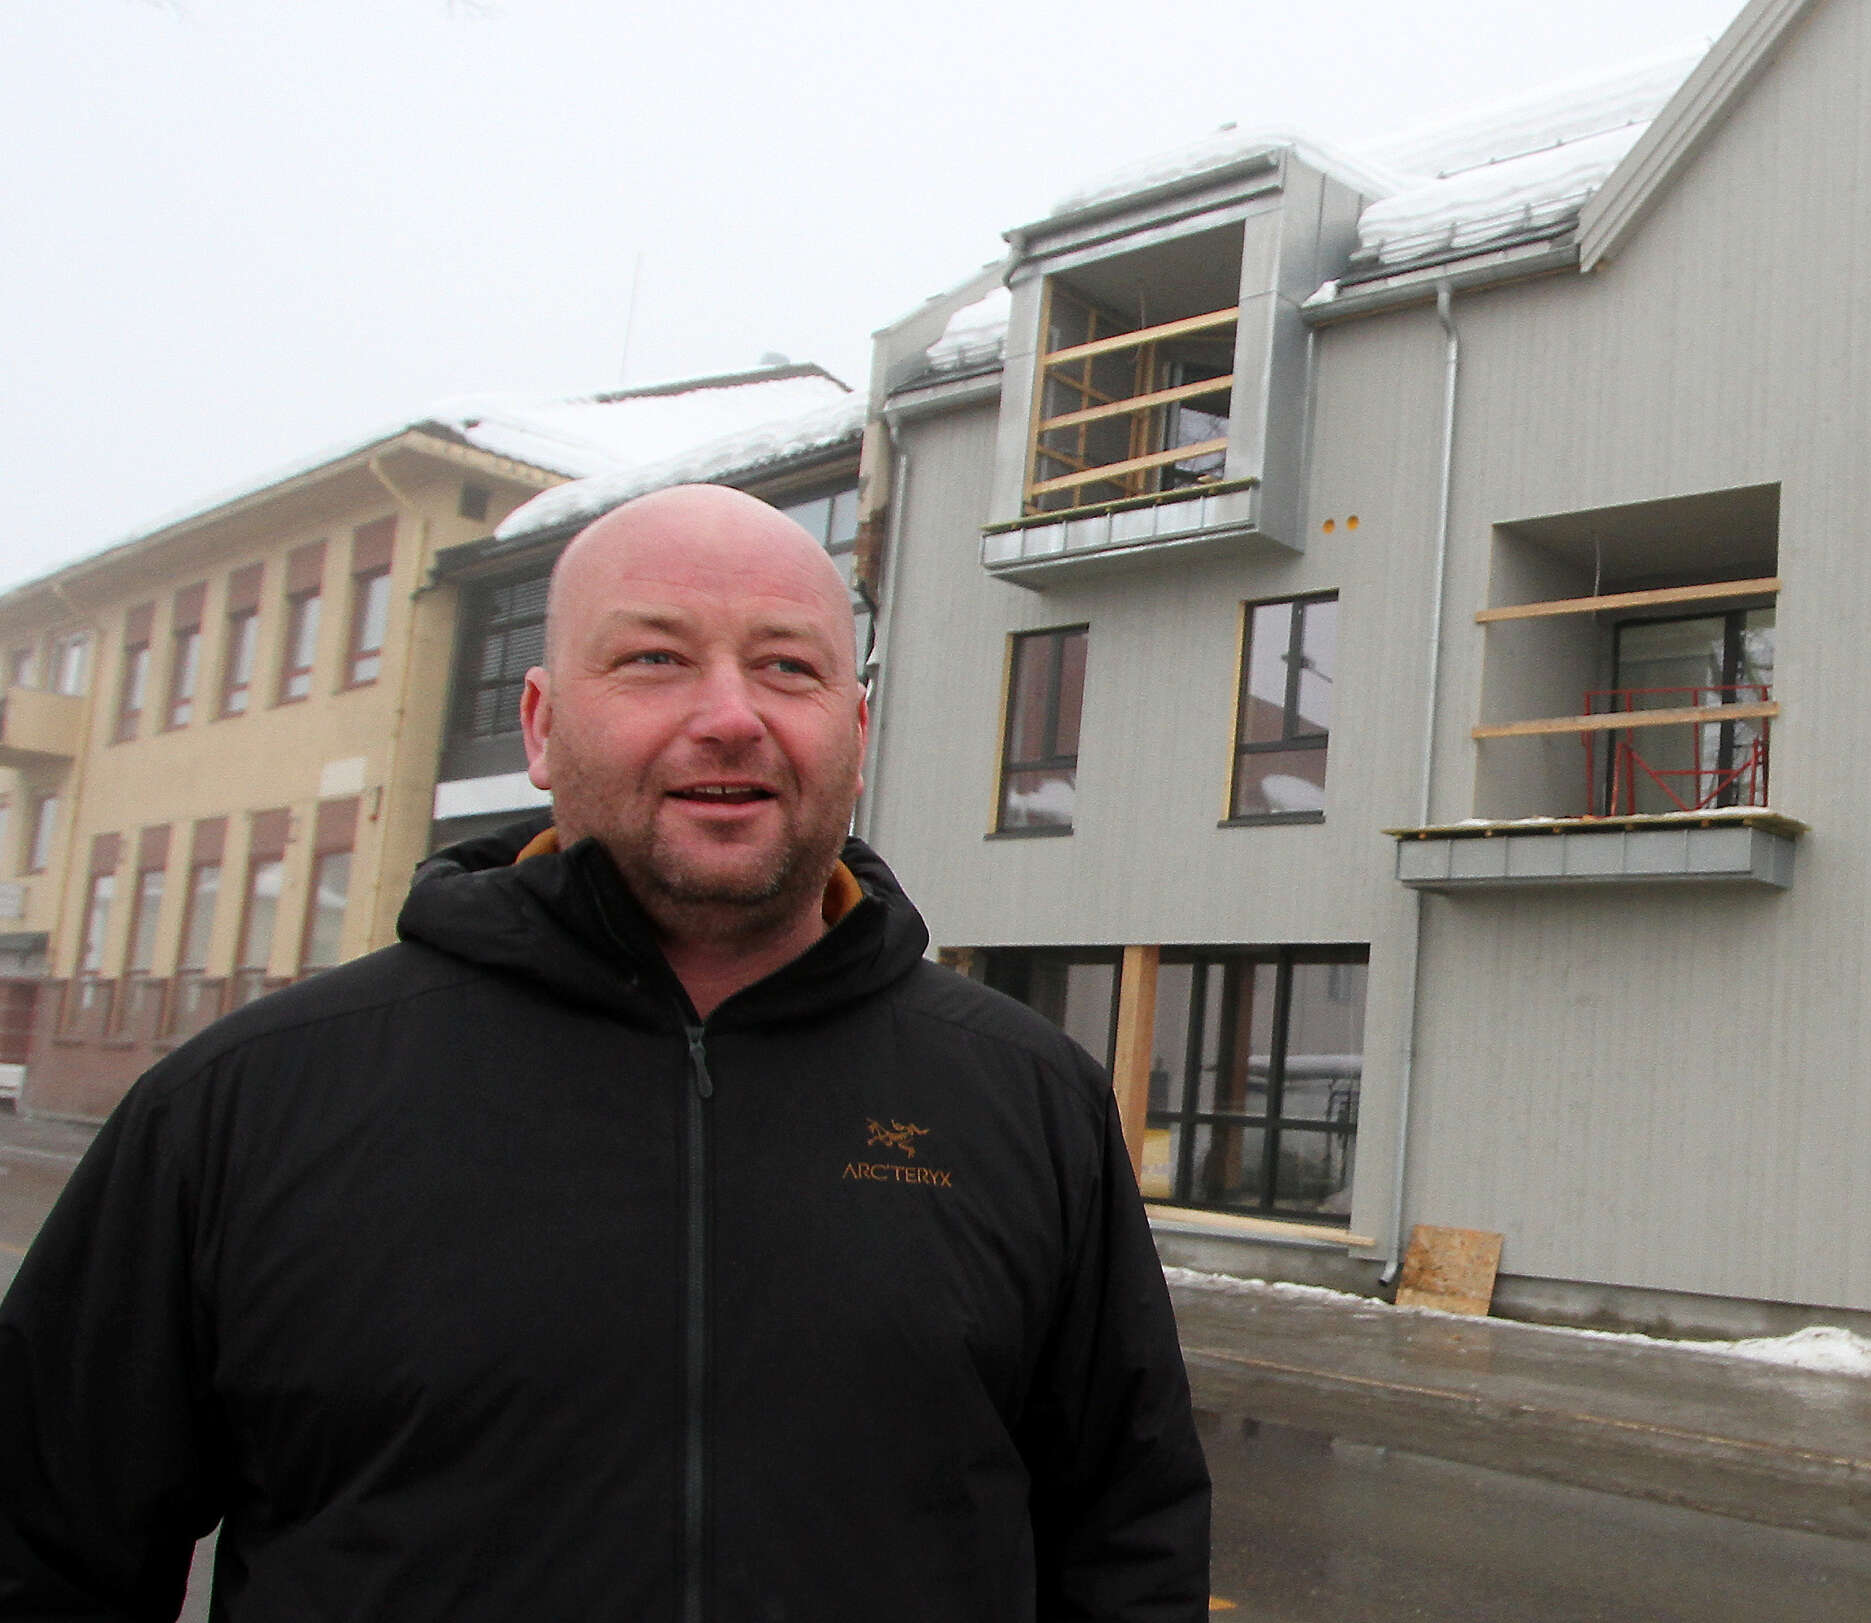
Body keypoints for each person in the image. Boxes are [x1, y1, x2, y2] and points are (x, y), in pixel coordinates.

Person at [0, 484, 1210, 1619]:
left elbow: (1130, 1546)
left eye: (787, 667)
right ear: (540, 725)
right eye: (654, 660)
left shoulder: (1027, 1099)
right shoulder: (245, 1104)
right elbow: (42, 1549)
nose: (730, 715)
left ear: (854, 729)